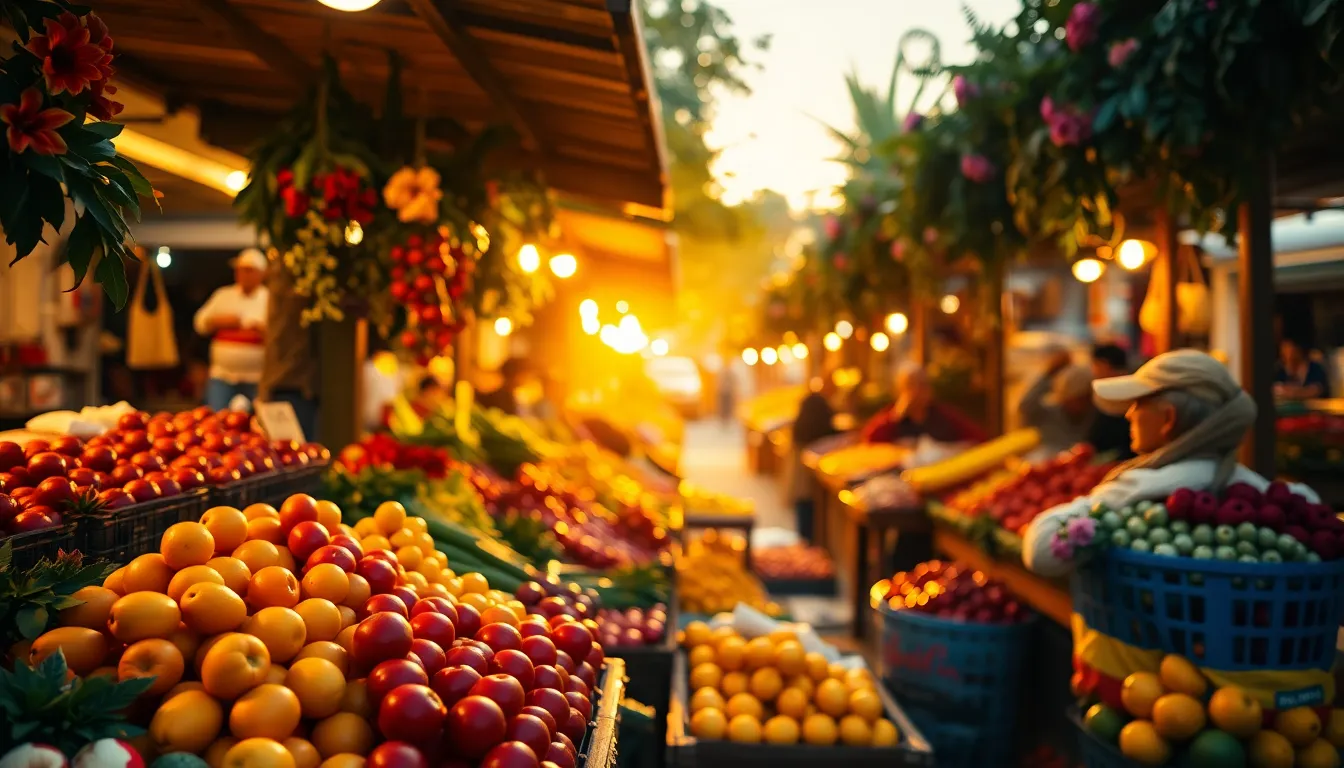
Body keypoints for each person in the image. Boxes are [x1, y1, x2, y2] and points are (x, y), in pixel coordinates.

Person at [1023, 349, 1319, 577]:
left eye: (1139, 403)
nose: (1128, 414)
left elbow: (1041, 552)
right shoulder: (1259, 492)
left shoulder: (1136, 489)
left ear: (1168, 419)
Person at [193, 248, 269, 410]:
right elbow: (199, 323)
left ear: (261, 273)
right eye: (240, 270)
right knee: (216, 419)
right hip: (222, 375)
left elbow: (279, 335)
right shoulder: (223, 295)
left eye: (249, 270)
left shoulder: (269, 299)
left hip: (256, 377)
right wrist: (219, 321)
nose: (243, 275)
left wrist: (259, 329)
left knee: (259, 423)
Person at [258, 260, 320, 441]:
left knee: (295, 450)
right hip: (281, 384)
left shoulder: (296, 299)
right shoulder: (279, 307)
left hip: (297, 386)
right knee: (285, 450)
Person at [860, 362, 986, 444]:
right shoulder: (891, 419)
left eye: (923, 385)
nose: (919, 392)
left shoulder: (944, 415)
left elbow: (978, 438)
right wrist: (895, 417)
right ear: (900, 391)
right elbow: (869, 440)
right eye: (911, 386)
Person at [789, 374, 841, 540]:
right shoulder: (817, 403)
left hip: (806, 454)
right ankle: (806, 538)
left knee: (805, 498)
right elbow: (820, 431)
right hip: (807, 456)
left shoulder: (815, 401)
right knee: (806, 498)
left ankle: (806, 537)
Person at [1019, 349, 1095, 455]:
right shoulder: (1049, 415)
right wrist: (1049, 374)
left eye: (1082, 399)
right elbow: (1026, 406)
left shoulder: (1095, 417)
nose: (1077, 405)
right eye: (1072, 400)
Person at [1089, 344, 1135, 459]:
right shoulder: (1101, 390)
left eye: (1095, 365)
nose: (1093, 371)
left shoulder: (1127, 393)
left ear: (1104, 364)